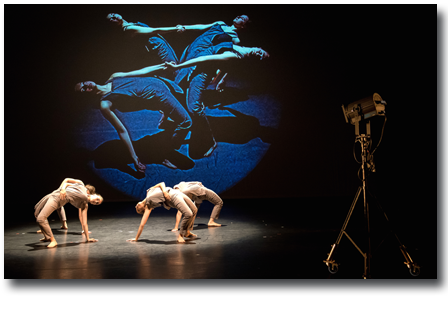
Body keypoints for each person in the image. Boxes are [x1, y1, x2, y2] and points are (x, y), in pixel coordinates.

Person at [107, 43, 269, 158]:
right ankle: (167, 116)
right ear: (259, 47)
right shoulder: (237, 43)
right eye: (261, 52)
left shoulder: (234, 56)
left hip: (200, 68)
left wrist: (219, 78)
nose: (259, 54)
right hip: (194, 58)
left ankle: (210, 141)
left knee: (193, 107)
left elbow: (207, 60)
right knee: (174, 89)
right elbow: (220, 58)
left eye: (261, 58)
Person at [75, 68, 192, 171]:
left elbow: (140, 72)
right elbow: (122, 130)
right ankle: (164, 153)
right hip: (160, 95)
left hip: (158, 82)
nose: (87, 86)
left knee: (182, 91)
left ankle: (166, 114)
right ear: (86, 96)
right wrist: (135, 158)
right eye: (84, 89)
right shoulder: (105, 104)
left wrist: (161, 66)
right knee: (186, 122)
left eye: (84, 83)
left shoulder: (113, 77)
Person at [34, 178, 103, 248]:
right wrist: (62, 189)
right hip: (55, 194)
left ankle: (52, 240)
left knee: (41, 218)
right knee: (38, 214)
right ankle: (47, 237)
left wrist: (88, 239)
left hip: (56, 201)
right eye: (97, 199)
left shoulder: (84, 204)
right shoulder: (81, 185)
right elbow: (66, 182)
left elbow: (85, 223)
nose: (95, 202)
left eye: (97, 203)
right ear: (94, 194)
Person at [130, 182, 197, 243]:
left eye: (136, 206)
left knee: (194, 209)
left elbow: (161, 183)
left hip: (174, 191)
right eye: (137, 209)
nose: (136, 206)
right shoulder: (148, 206)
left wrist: (164, 191)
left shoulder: (148, 192)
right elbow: (142, 224)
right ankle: (181, 235)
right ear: (143, 209)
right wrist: (136, 238)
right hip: (173, 197)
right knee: (188, 214)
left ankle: (187, 231)